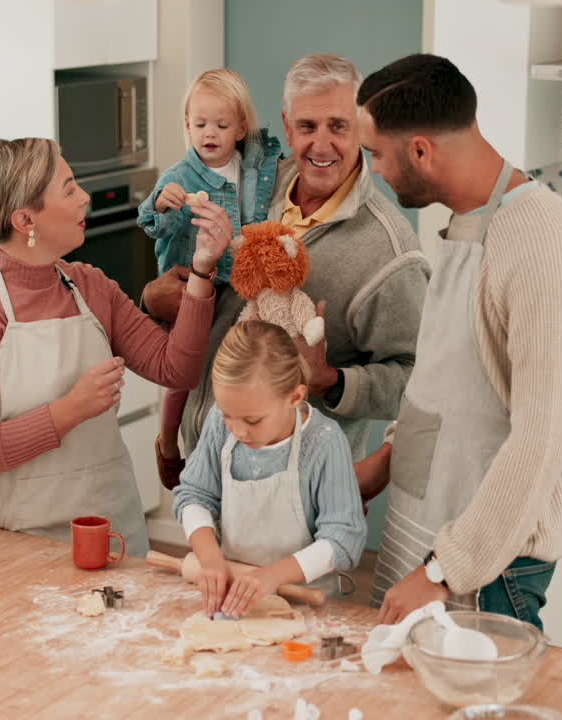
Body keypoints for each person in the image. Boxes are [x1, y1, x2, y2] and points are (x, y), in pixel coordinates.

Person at [353, 54, 562, 630]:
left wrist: (443, 570)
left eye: (376, 155)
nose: (374, 172)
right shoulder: (469, 222)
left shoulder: (544, 246)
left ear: (420, 150)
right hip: (427, 525)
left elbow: (540, 441)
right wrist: (386, 463)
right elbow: (448, 387)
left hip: (488, 570)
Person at [0, 137, 229, 557]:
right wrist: (71, 409)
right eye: (69, 188)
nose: (85, 198)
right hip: (17, 544)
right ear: (25, 219)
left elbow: (175, 369)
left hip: (112, 532)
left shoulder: (91, 285)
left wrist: (202, 269)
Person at [143, 53, 429, 460]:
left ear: (363, 128)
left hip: (297, 491)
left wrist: (330, 379)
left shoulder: (391, 252)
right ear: (287, 127)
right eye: (307, 126)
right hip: (204, 461)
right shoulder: (250, 186)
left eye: (339, 126)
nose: (321, 143)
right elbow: (191, 281)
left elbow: (419, 379)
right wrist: (153, 300)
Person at [136, 69, 281, 491]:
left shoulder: (256, 167)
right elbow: (152, 226)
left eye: (221, 125)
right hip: (191, 289)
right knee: (186, 373)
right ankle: (168, 440)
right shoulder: (179, 177)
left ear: (240, 128)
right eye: (199, 124)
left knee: (236, 369)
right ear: (187, 125)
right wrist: (162, 207)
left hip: (240, 286)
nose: (209, 134)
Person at [173, 321, 365, 618]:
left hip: (305, 604)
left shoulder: (324, 443)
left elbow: (344, 539)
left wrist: (271, 577)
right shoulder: (218, 425)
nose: (237, 431)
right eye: (228, 416)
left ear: (295, 397)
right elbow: (194, 495)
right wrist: (210, 558)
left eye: (252, 421)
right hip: (233, 598)